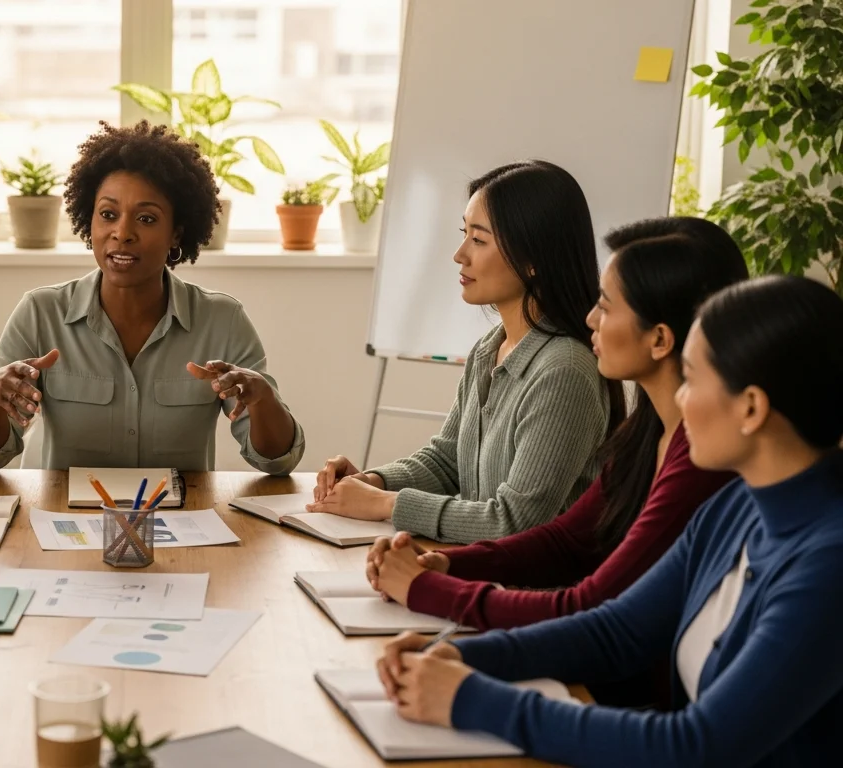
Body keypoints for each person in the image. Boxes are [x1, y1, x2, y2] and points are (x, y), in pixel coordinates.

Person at [379, 275, 843, 766]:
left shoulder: (828, 563)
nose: (681, 400)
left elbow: (698, 746)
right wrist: (463, 656)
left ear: (751, 407)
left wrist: (470, 698)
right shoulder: (735, 507)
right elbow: (617, 631)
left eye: (693, 379)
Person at [367, 218, 745, 702]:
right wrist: (444, 563)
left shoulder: (699, 460)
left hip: (629, 696)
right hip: (594, 675)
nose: (590, 319)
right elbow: (570, 540)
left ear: (661, 339)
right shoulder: (650, 428)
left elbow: (592, 607)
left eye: (606, 307)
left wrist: (426, 588)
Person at [0, 120, 304, 474]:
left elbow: (276, 461)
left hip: (184, 521)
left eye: (147, 219)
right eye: (108, 215)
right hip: (67, 521)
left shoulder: (223, 320)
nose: (122, 233)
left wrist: (262, 400)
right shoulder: (39, 313)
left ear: (175, 234)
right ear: (88, 222)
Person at [309, 160, 622, 544]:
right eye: (464, 234)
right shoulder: (489, 350)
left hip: (534, 595)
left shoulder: (565, 371)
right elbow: (448, 462)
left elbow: (515, 522)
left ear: (533, 259)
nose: (460, 254)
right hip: (481, 573)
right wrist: (371, 481)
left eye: (478, 239)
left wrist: (385, 503)